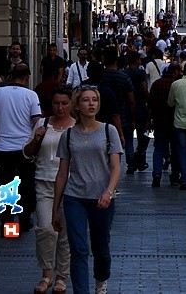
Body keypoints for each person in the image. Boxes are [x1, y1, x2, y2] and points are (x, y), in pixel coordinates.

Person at [52, 86, 122, 294]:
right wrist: (56, 207)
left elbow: (116, 166)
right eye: (86, 100)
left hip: (102, 197)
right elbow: (62, 173)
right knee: (79, 249)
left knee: (101, 248)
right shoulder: (69, 135)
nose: (91, 104)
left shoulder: (109, 131)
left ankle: (101, 280)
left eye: (94, 100)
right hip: (75, 197)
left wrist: (108, 192)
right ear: (78, 105)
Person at [25, 86, 74, 294]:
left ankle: (62, 275)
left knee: (64, 232)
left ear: (71, 104)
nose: (60, 107)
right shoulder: (42, 123)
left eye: (64, 103)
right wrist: (36, 139)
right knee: (45, 228)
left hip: (71, 186)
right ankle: (46, 273)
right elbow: (26, 153)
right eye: (56, 103)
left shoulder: (77, 128)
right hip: (44, 181)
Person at [0, 64, 43, 232]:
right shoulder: (31, 95)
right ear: (27, 77)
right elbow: (36, 122)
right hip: (24, 149)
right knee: (25, 186)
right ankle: (25, 220)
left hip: (3, 148)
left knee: (5, 185)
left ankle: (8, 225)